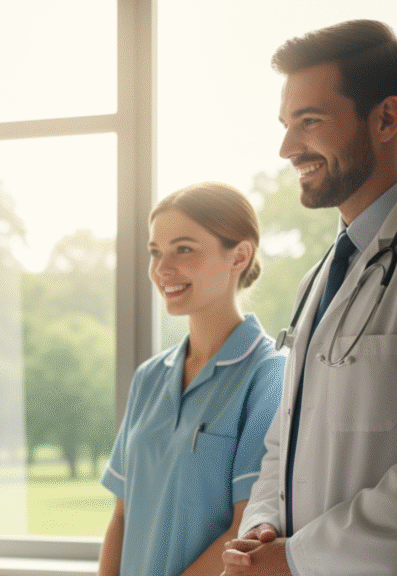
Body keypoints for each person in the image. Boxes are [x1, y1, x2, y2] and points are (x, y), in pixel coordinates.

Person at [222, 19, 397, 576]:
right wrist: (264, 527)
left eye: (309, 122)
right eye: (285, 123)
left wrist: (297, 558)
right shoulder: (319, 279)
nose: (287, 147)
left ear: (387, 118)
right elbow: (286, 439)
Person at [97, 182, 284, 576]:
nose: (162, 268)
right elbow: (122, 516)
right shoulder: (149, 377)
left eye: (184, 249)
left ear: (239, 257)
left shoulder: (269, 376)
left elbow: (244, 530)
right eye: (155, 252)